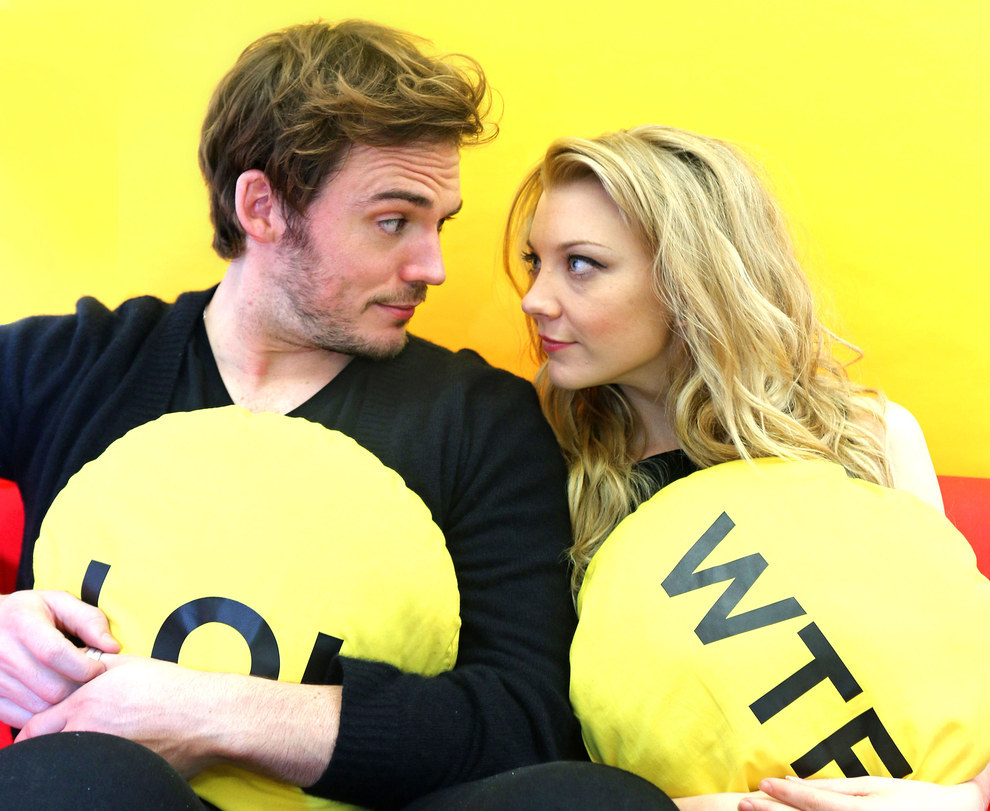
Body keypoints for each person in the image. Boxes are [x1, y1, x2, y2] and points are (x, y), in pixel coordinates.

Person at [0, 19, 646, 811]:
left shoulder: (480, 420)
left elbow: (525, 720)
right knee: (78, 782)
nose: (433, 266)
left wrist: (208, 714)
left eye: (439, 223)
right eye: (393, 221)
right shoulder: (71, 365)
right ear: (263, 206)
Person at [504, 124, 990, 811]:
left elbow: (961, 663)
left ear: (690, 280)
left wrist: (958, 800)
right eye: (535, 261)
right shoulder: (536, 461)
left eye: (580, 264)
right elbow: (539, 736)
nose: (535, 298)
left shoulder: (867, 436)